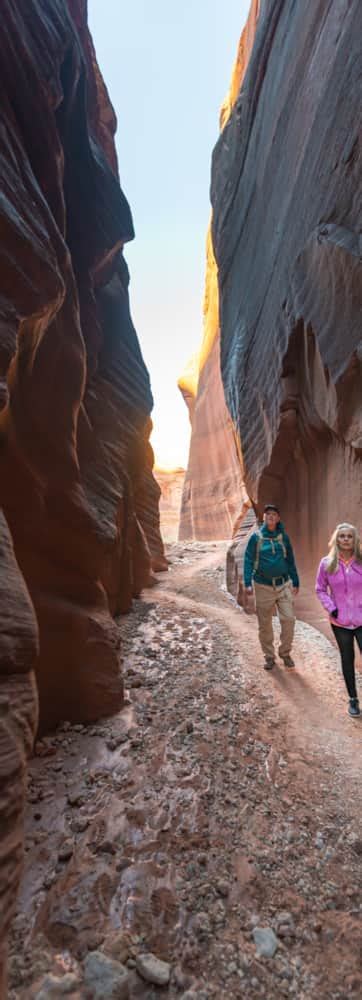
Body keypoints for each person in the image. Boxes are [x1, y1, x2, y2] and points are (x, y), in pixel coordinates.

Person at [244, 504, 299, 670]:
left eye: (274, 514)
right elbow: (248, 560)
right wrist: (247, 582)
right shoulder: (256, 537)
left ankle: (285, 652)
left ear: (278, 518)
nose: (271, 517)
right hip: (262, 586)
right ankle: (269, 656)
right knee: (265, 624)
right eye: (268, 514)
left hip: (283, 584)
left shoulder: (283, 537)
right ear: (264, 518)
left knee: (289, 619)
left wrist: (295, 581)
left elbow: (290, 560)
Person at [315, 523, 362, 718]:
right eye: (342, 536)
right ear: (336, 539)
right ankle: (353, 698)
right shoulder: (327, 563)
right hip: (340, 621)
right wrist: (331, 608)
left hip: (361, 619)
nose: (345, 539)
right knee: (347, 658)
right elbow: (319, 588)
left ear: (354, 539)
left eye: (349, 536)